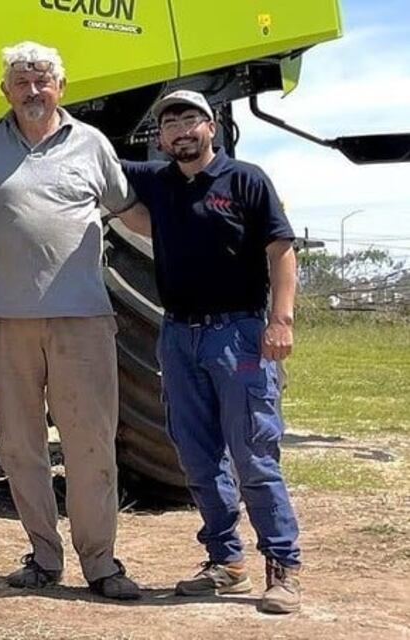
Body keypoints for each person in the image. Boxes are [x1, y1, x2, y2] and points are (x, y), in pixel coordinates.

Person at [0, 41, 145, 600]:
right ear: (4, 90)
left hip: (82, 322)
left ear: (60, 86)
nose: (33, 90)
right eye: (21, 81)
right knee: (19, 447)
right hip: (4, 323)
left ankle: (101, 562)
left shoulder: (92, 144)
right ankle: (43, 556)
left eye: (42, 81)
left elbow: (132, 212)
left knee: (90, 446)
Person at [116, 90, 302, 614]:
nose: (179, 131)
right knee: (197, 456)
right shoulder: (157, 182)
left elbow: (281, 250)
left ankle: (282, 566)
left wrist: (280, 320)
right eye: (168, 123)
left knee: (253, 455)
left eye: (189, 120)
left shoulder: (247, 180)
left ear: (211, 126)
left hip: (239, 336)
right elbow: (96, 157)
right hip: (178, 337)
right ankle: (226, 562)